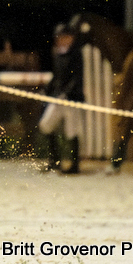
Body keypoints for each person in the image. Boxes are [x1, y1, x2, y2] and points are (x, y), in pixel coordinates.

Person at [38, 23, 83, 175]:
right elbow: (57, 76)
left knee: (72, 131)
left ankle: (74, 165)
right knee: (46, 125)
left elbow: (77, 78)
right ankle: (54, 161)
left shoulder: (77, 54)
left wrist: (66, 93)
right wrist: (47, 90)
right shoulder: (57, 53)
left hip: (72, 99)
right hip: (58, 98)